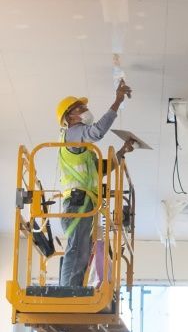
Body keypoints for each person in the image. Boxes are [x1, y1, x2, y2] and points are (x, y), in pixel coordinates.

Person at [55, 80, 133, 288]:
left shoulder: (85, 150)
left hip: (84, 204)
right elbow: (97, 132)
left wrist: (122, 151)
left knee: (81, 251)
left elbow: (102, 171)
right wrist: (117, 101)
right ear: (69, 117)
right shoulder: (72, 134)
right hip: (77, 203)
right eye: (80, 108)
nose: (86, 111)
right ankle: (68, 293)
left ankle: (73, 290)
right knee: (77, 250)